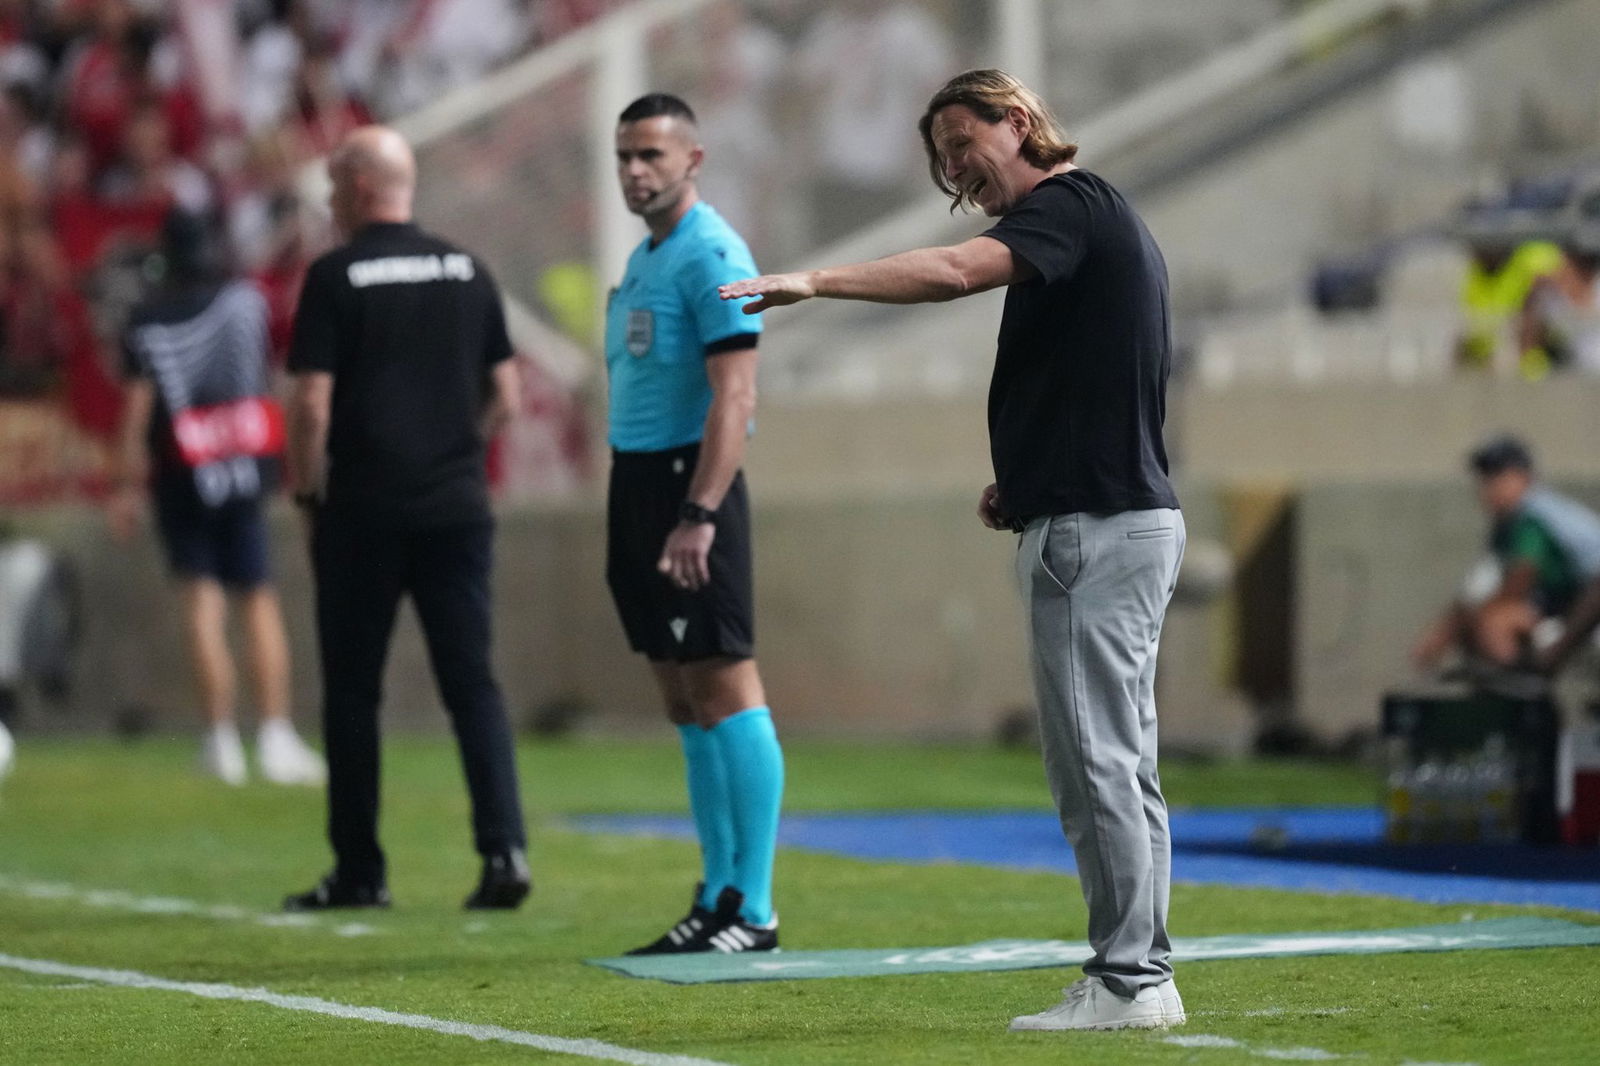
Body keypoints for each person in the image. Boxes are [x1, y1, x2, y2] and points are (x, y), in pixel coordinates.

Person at [720, 69, 1185, 1031]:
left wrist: (816, 279)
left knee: (1095, 765)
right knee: (1119, 762)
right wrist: (1026, 473)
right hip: (1108, 516)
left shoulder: (1065, 203)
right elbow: (1099, 370)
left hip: (1094, 533)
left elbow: (952, 272)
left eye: (962, 142)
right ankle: (1142, 973)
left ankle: (1131, 981)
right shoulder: (1085, 221)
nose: (953, 168)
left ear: (1018, 122)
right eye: (941, 157)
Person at [282, 125, 529, 911]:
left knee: (354, 693)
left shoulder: (334, 276)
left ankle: (360, 871)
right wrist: (456, 446)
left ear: (359, 185)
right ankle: (505, 854)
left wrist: (308, 495)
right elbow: (509, 397)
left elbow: (310, 404)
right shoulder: (468, 268)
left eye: (331, 186)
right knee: (473, 684)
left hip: (364, 509)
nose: (327, 201)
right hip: (457, 506)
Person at [605, 93, 784, 955]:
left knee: (724, 682)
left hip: (687, 487)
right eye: (626, 157)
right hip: (637, 481)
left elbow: (736, 395)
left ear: (693, 160)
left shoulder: (714, 252)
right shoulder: (649, 257)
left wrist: (699, 513)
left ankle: (755, 906)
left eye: (652, 155)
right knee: (681, 693)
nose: (637, 171)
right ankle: (714, 896)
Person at [109, 208, 325, 788]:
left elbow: (137, 410)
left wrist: (126, 485)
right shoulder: (244, 301)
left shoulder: (146, 320)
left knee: (202, 602)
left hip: (183, 469)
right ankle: (276, 734)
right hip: (246, 460)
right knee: (259, 598)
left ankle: (221, 739)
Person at [1413, 435, 1600, 673]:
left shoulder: (1533, 516)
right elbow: (1475, 592)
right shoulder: (1506, 528)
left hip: (1591, 602)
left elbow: (1519, 579)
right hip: (1563, 606)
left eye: (1498, 476)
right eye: (1484, 479)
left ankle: (1527, 688)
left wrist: (1461, 624)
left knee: (1492, 621)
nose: (1489, 488)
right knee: (1487, 620)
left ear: (1523, 477)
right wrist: (1451, 628)